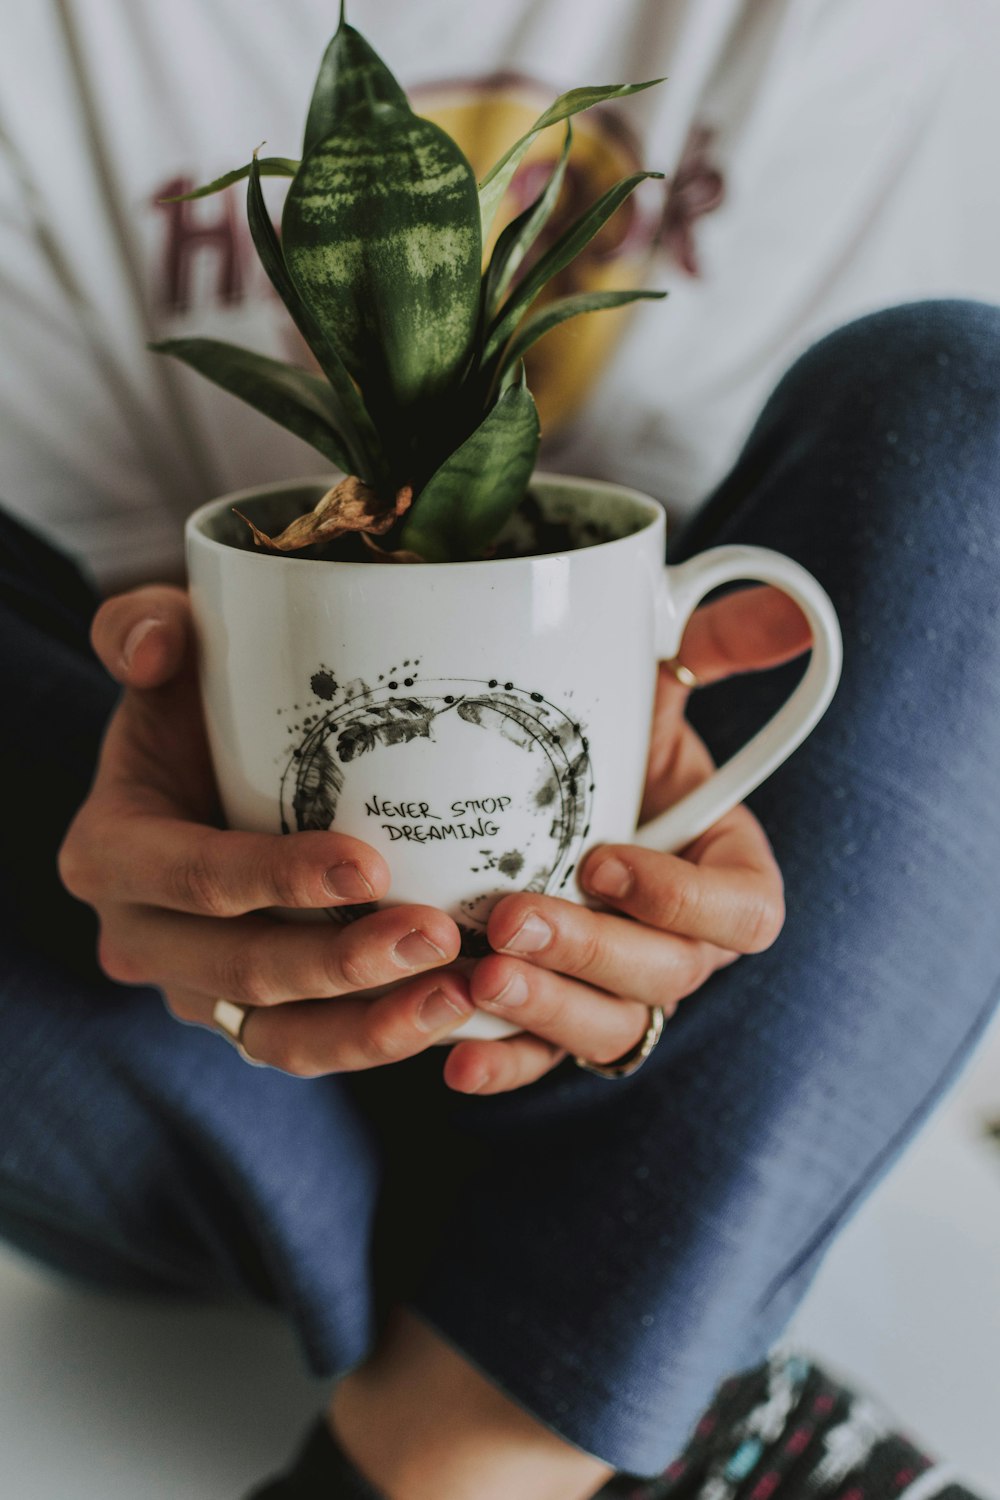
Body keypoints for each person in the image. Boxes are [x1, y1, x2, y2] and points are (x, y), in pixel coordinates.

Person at [1, 3, 998, 1498]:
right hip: (189, 1053)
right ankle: (625, 1349)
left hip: (671, 990)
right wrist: (155, 800)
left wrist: (646, 739)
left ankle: (463, 1447)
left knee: (969, 407)